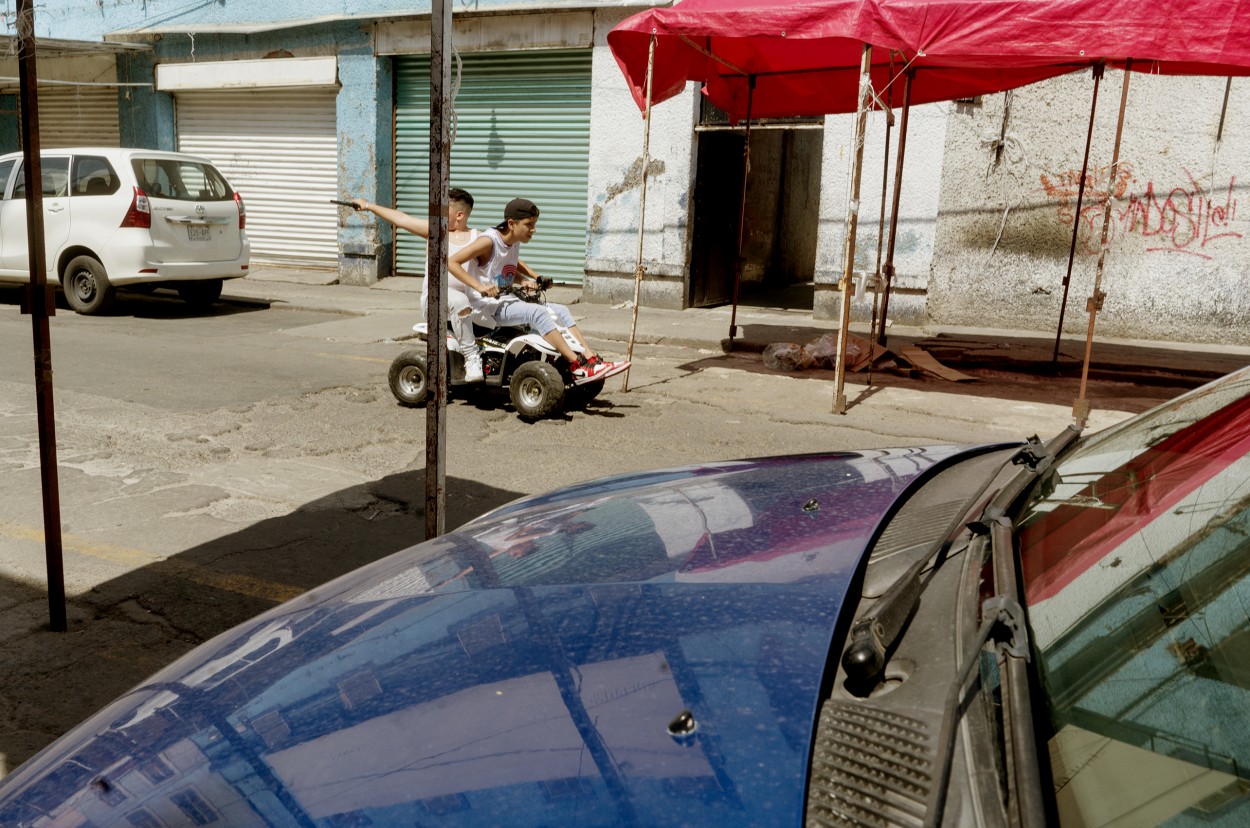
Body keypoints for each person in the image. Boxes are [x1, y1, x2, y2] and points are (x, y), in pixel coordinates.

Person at [449, 198, 628, 383]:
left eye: (534, 224)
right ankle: (577, 365)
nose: (533, 229)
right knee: (539, 313)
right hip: (485, 307)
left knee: (561, 310)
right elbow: (452, 262)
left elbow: (509, 264)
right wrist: (480, 287)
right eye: (529, 224)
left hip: (506, 302)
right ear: (511, 223)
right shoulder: (488, 241)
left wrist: (532, 278)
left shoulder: (513, 240)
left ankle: (590, 359)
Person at [352, 188, 490, 382]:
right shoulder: (435, 231)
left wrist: (528, 279)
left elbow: (505, 258)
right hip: (435, 301)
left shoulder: (479, 238)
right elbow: (400, 218)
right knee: (460, 299)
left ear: (459, 215)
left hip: (468, 307)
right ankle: (471, 357)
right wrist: (368, 206)